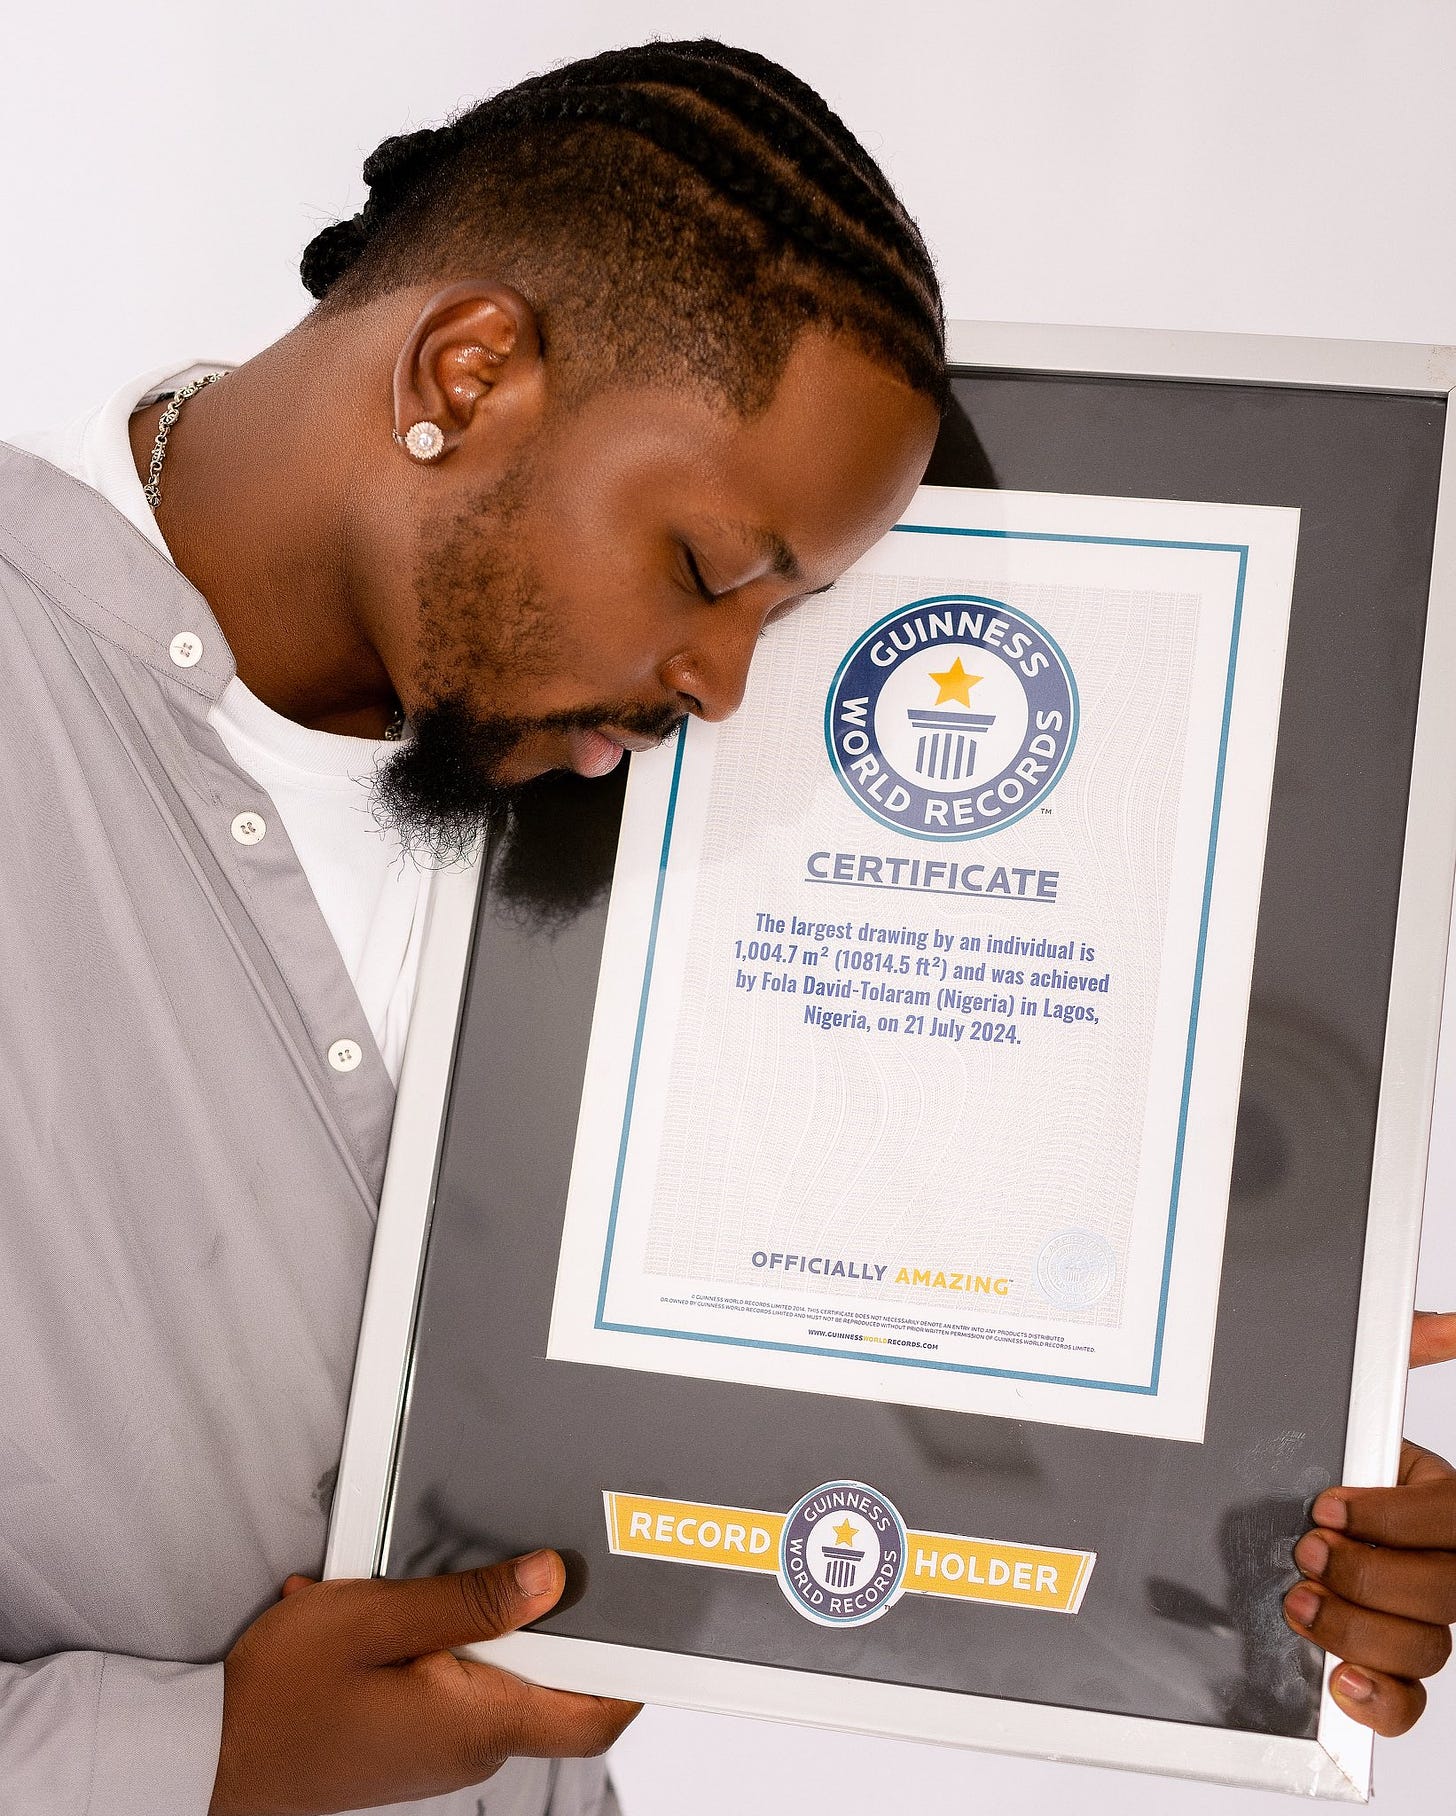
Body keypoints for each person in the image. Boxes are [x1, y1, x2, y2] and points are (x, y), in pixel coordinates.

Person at [0, 34, 1449, 1816]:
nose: (726, 688)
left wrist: (1259, 1478)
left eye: (795, 615)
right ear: (470, 369)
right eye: (707, 572)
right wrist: (192, 1762)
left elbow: (824, 1386)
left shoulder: (636, 791)